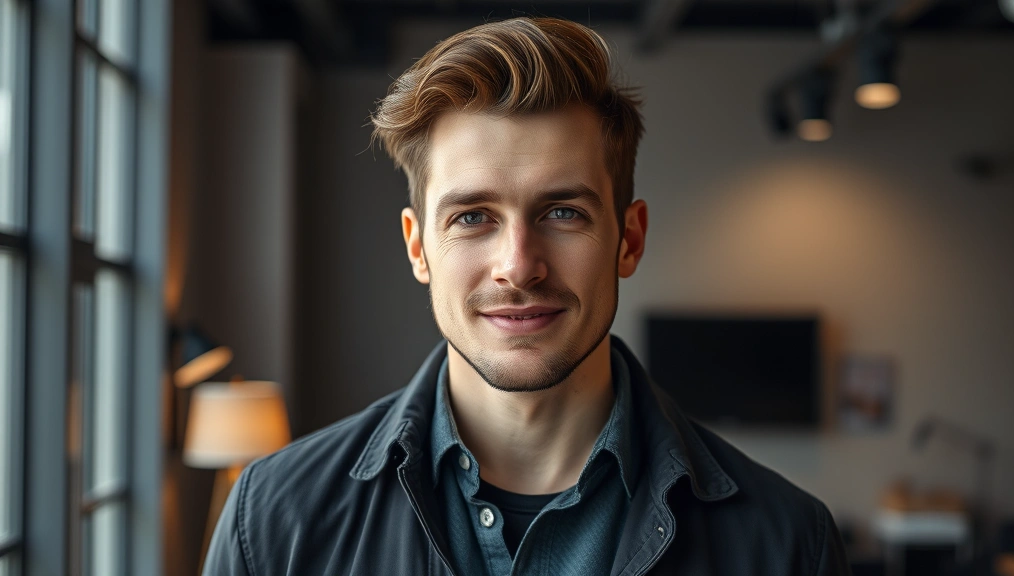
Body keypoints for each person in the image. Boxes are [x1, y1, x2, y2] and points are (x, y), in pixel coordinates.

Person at [203, 17, 851, 576]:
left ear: (628, 239)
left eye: (563, 212)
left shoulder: (789, 544)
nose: (518, 266)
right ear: (418, 247)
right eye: (472, 217)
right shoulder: (273, 523)